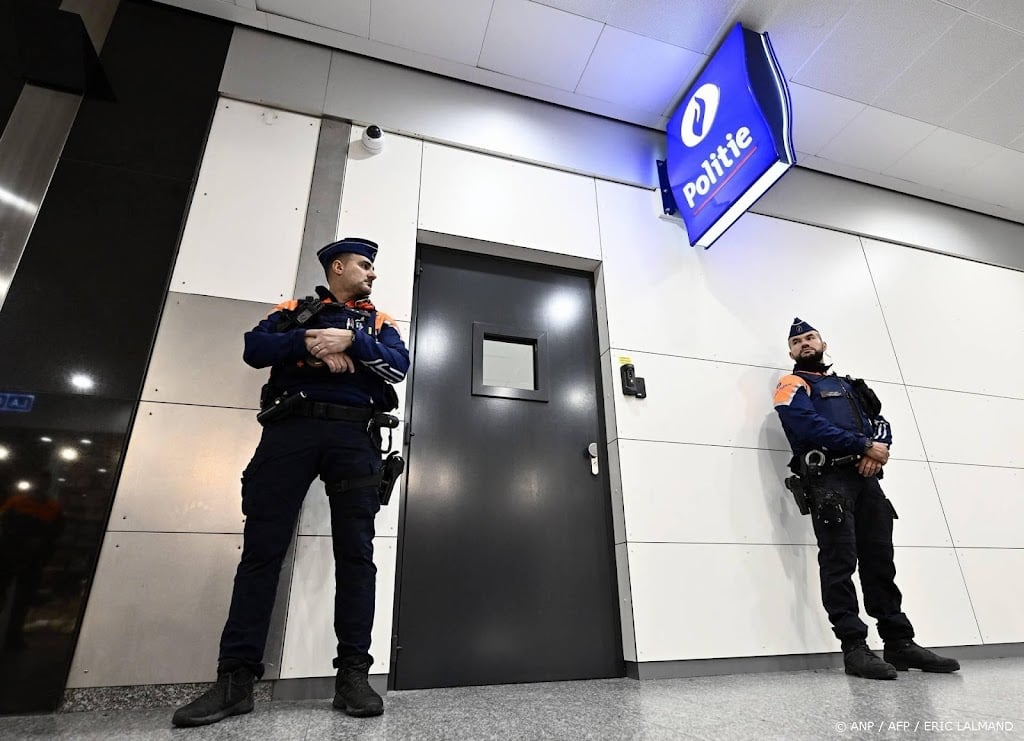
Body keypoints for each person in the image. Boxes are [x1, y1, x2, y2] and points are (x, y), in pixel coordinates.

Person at [173, 237, 409, 727]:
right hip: (290, 431)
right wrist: (310, 342)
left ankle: (352, 677)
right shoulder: (292, 312)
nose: (372, 273)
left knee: (356, 557)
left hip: (354, 437)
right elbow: (254, 349)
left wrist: (351, 343)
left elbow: (398, 367)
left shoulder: (379, 323)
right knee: (261, 553)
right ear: (337, 267)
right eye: (364, 265)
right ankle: (236, 681)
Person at [773, 318, 959, 680]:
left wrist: (876, 450)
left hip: (866, 479)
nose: (805, 343)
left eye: (810, 337)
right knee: (839, 564)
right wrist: (862, 446)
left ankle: (899, 642)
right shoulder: (790, 385)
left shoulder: (850, 386)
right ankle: (854, 648)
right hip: (828, 481)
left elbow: (880, 423)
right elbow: (805, 424)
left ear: (823, 343)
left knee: (880, 561)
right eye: (797, 342)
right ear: (791, 353)